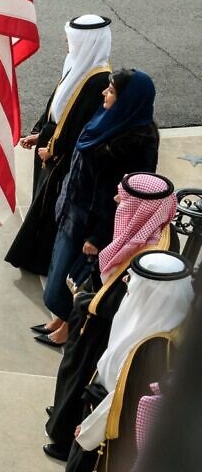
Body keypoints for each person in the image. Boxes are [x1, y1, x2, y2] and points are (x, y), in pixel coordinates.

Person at [44, 173, 177, 463]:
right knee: (71, 372)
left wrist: (87, 301)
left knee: (82, 377)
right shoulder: (144, 229)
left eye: (124, 198)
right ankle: (61, 416)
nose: (117, 201)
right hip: (95, 316)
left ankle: (66, 437)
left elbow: (125, 300)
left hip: (103, 329)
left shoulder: (153, 253)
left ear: (142, 207)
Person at [39, 68, 159, 348]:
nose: (105, 94)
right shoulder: (105, 118)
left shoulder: (136, 141)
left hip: (93, 222)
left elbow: (125, 195)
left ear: (127, 99)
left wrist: (97, 234)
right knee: (60, 267)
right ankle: (59, 317)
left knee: (77, 277)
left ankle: (69, 326)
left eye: (112, 91)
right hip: (74, 208)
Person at [6, 15, 113, 280]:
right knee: (40, 200)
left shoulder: (99, 80)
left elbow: (81, 128)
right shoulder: (76, 64)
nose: (67, 42)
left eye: (71, 39)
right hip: (49, 141)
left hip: (62, 155)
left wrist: (53, 148)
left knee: (50, 207)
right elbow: (57, 103)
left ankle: (40, 261)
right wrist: (38, 131)